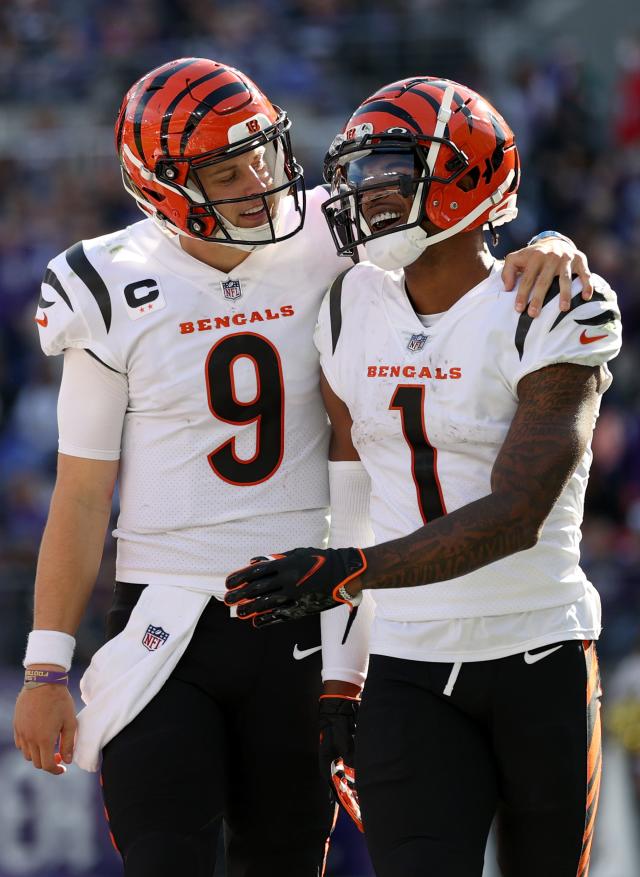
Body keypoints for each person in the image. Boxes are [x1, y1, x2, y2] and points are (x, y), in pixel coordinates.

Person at [12, 57, 591, 877]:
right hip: (166, 612)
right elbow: (80, 492)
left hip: (305, 596)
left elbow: (458, 227)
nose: (257, 180)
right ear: (164, 183)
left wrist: (552, 245)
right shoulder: (105, 280)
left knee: (285, 861)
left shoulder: (330, 223)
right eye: (225, 167)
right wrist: (45, 662)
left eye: (262, 152)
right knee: (163, 855)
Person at [225, 76, 622, 877]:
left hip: (537, 648)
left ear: (466, 178)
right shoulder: (345, 308)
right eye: (358, 177)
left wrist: (346, 575)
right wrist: (343, 676)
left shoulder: (553, 304)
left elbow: (515, 513)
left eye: (390, 175)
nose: (365, 197)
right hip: (407, 666)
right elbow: (355, 498)